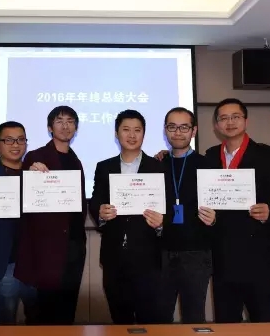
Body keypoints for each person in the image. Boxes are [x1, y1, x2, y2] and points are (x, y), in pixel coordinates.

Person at [205, 98, 270, 323]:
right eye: (223, 118)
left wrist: (269, 211)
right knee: (227, 324)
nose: (230, 122)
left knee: (262, 323)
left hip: (256, 256)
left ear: (246, 121)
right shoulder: (210, 156)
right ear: (216, 125)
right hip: (223, 255)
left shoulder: (265, 154)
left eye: (235, 117)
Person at [88, 109, 165, 324]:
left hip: (148, 258)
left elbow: (169, 206)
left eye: (137, 130)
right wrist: (100, 212)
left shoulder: (159, 167)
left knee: (149, 321)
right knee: (120, 321)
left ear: (144, 134)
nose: (132, 135)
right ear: (116, 133)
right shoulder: (104, 167)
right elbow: (96, 199)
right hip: (114, 257)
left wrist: (162, 223)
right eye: (126, 130)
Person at [14, 105, 87, 325]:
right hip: (46, 248)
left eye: (70, 121)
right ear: (49, 128)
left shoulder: (76, 160)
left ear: (76, 128)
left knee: (67, 309)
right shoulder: (35, 157)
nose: (65, 126)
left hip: (74, 244)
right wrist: (30, 175)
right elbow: (22, 199)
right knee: (44, 312)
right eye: (59, 121)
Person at [0, 121, 37, 325]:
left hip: (34, 261)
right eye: (9, 140)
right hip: (5, 264)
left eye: (20, 140)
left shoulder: (35, 173)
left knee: (39, 321)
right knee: (5, 321)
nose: (16, 145)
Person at [159, 107, 213, 324]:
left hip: (196, 252)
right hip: (161, 252)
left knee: (194, 317)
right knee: (160, 316)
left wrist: (215, 217)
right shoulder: (157, 165)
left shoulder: (207, 165)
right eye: (172, 127)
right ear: (165, 130)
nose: (178, 132)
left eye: (184, 127)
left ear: (194, 131)